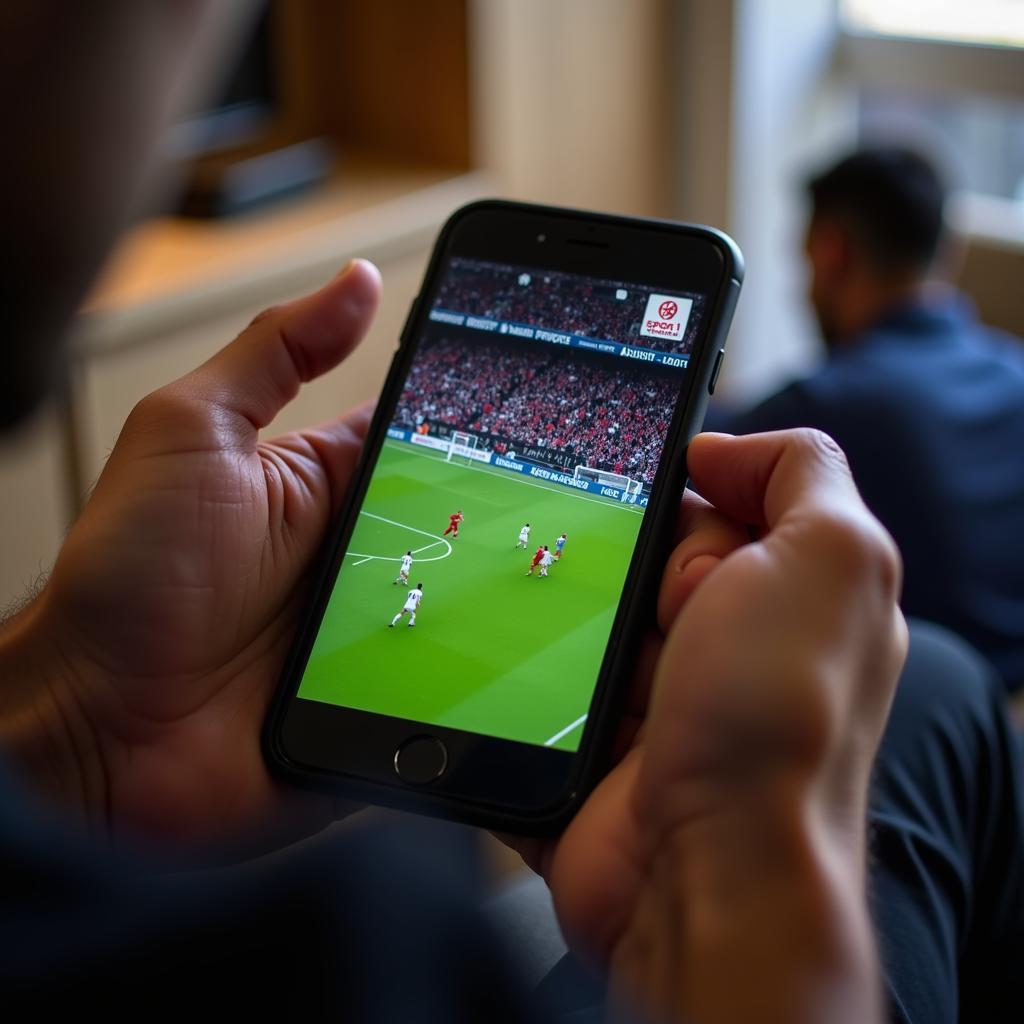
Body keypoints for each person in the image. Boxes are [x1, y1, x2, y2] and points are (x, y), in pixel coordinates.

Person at [0, 6, 1022, 1022]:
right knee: (937, 680)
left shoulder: (347, 934)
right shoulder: (371, 944)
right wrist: (752, 894)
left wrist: (66, 715)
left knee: (937, 677)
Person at [707, 145, 1024, 693]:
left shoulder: (827, 408)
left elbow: (697, 443)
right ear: (943, 250)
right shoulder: (1015, 370)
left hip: (919, 705)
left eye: (802, 263)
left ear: (832, 253)